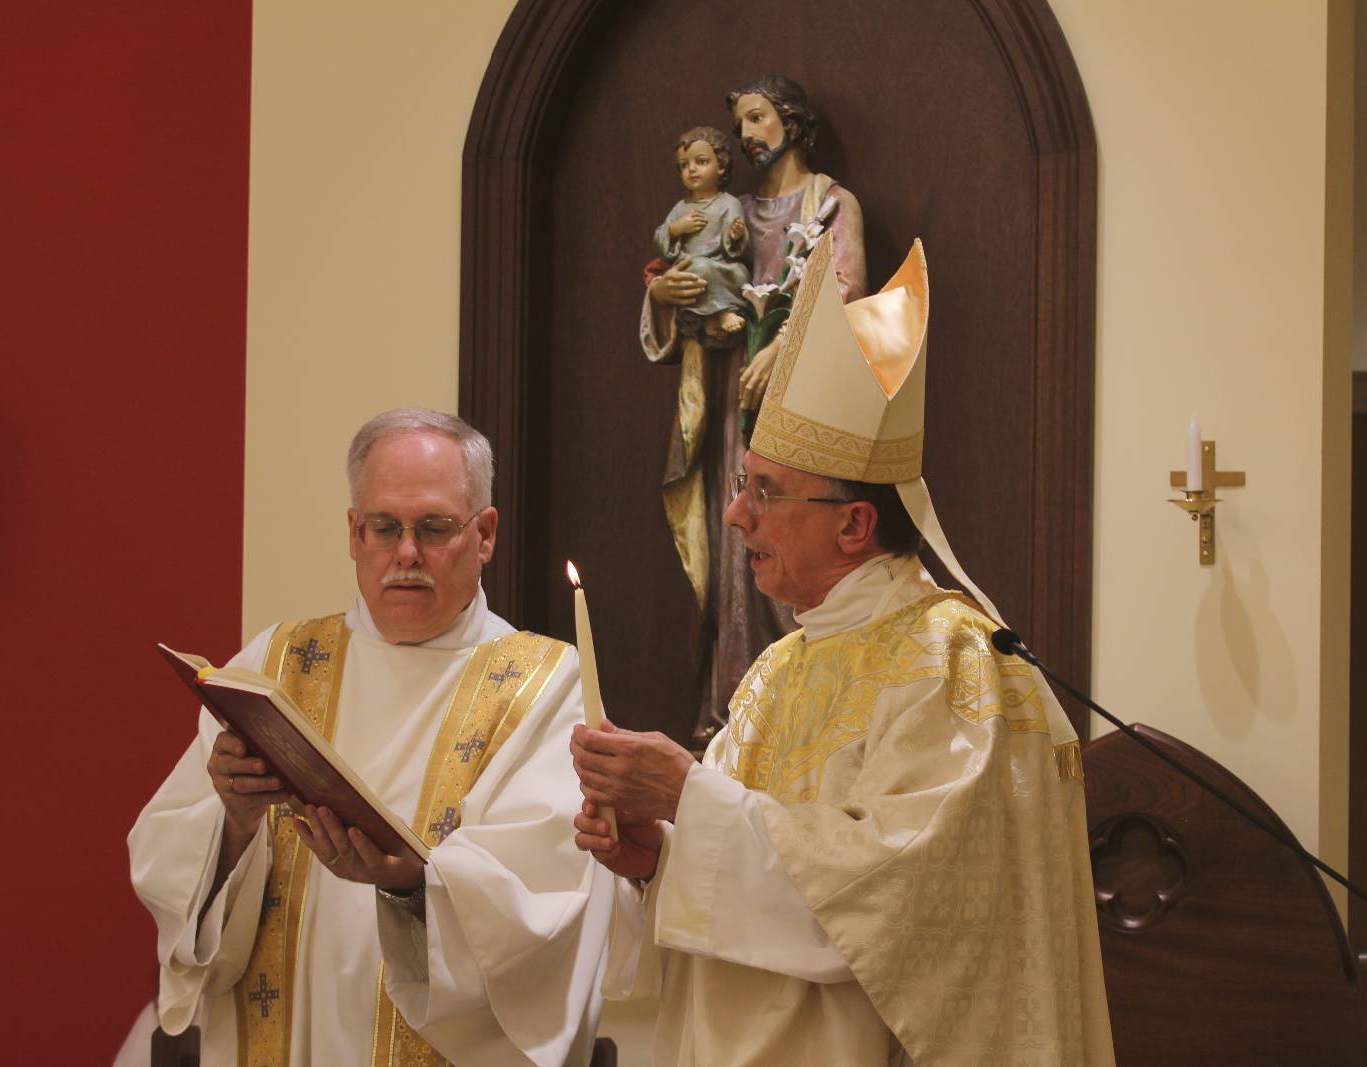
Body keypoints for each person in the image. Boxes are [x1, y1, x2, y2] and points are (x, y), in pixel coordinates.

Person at [578, 237, 1114, 1065]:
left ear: (855, 524)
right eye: (740, 485)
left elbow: (898, 899)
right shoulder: (776, 670)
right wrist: (656, 857)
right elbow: (747, 877)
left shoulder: (954, 661)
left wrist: (690, 794)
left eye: (763, 491)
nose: (734, 515)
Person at [126, 409, 614, 1067]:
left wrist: (414, 884)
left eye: (435, 527)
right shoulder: (277, 661)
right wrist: (235, 822)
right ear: (356, 533)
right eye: (385, 527)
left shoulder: (544, 684)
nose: (406, 553)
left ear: (486, 533)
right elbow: (169, 862)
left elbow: (551, 897)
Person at [641, 74, 868, 745]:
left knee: (797, 540)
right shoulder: (725, 209)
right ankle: (734, 712)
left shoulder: (831, 204)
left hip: (802, 412)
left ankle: (797, 709)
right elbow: (685, 281)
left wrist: (787, 348)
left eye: (759, 118)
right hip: (732, 408)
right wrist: (666, 296)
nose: (747, 135)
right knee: (732, 556)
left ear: (792, 122)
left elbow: (851, 295)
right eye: (740, 123)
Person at [652, 125, 751, 342]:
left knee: (738, 273)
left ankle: (718, 314)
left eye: (701, 162)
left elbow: (738, 250)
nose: (692, 169)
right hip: (693, 269)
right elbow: (661, 242)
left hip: (722, 269)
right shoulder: (680, 208)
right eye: (684, 165)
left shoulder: (729, 203)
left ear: (721, 166)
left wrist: (735, 236)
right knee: (694, 271)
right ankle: (713, 317)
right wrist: (676, 229)